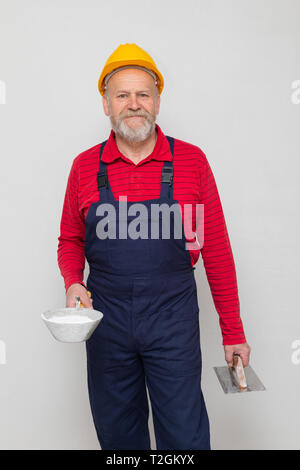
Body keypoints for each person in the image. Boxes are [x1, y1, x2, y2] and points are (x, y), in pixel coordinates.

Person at [57, 43, 251, 450]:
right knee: (118, 438)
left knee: (185, 435)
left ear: (158, 101)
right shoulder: (84, 167)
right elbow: (71, 240)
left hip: (172, 321)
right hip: (106, 322)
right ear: (106, 105)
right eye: (122, 95)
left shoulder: (191, 162)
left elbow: (215, 248)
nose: (134, 104)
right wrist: (74, 282)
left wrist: (232, 331)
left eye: (143, 94)